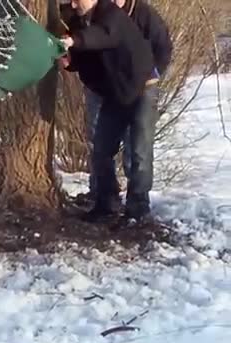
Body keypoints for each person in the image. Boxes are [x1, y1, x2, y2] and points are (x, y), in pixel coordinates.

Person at [61, 0, 173, 208]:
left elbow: (105, 35)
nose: (73, 4)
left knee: (139, 149)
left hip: (142, 87)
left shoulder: (111, 13)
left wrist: (75, 40)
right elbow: (88, 56)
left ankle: (137, 208)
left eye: (78, 0)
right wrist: (71, 61)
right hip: (114, 91)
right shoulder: (79, 20)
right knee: (102, 149)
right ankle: (106, 202)